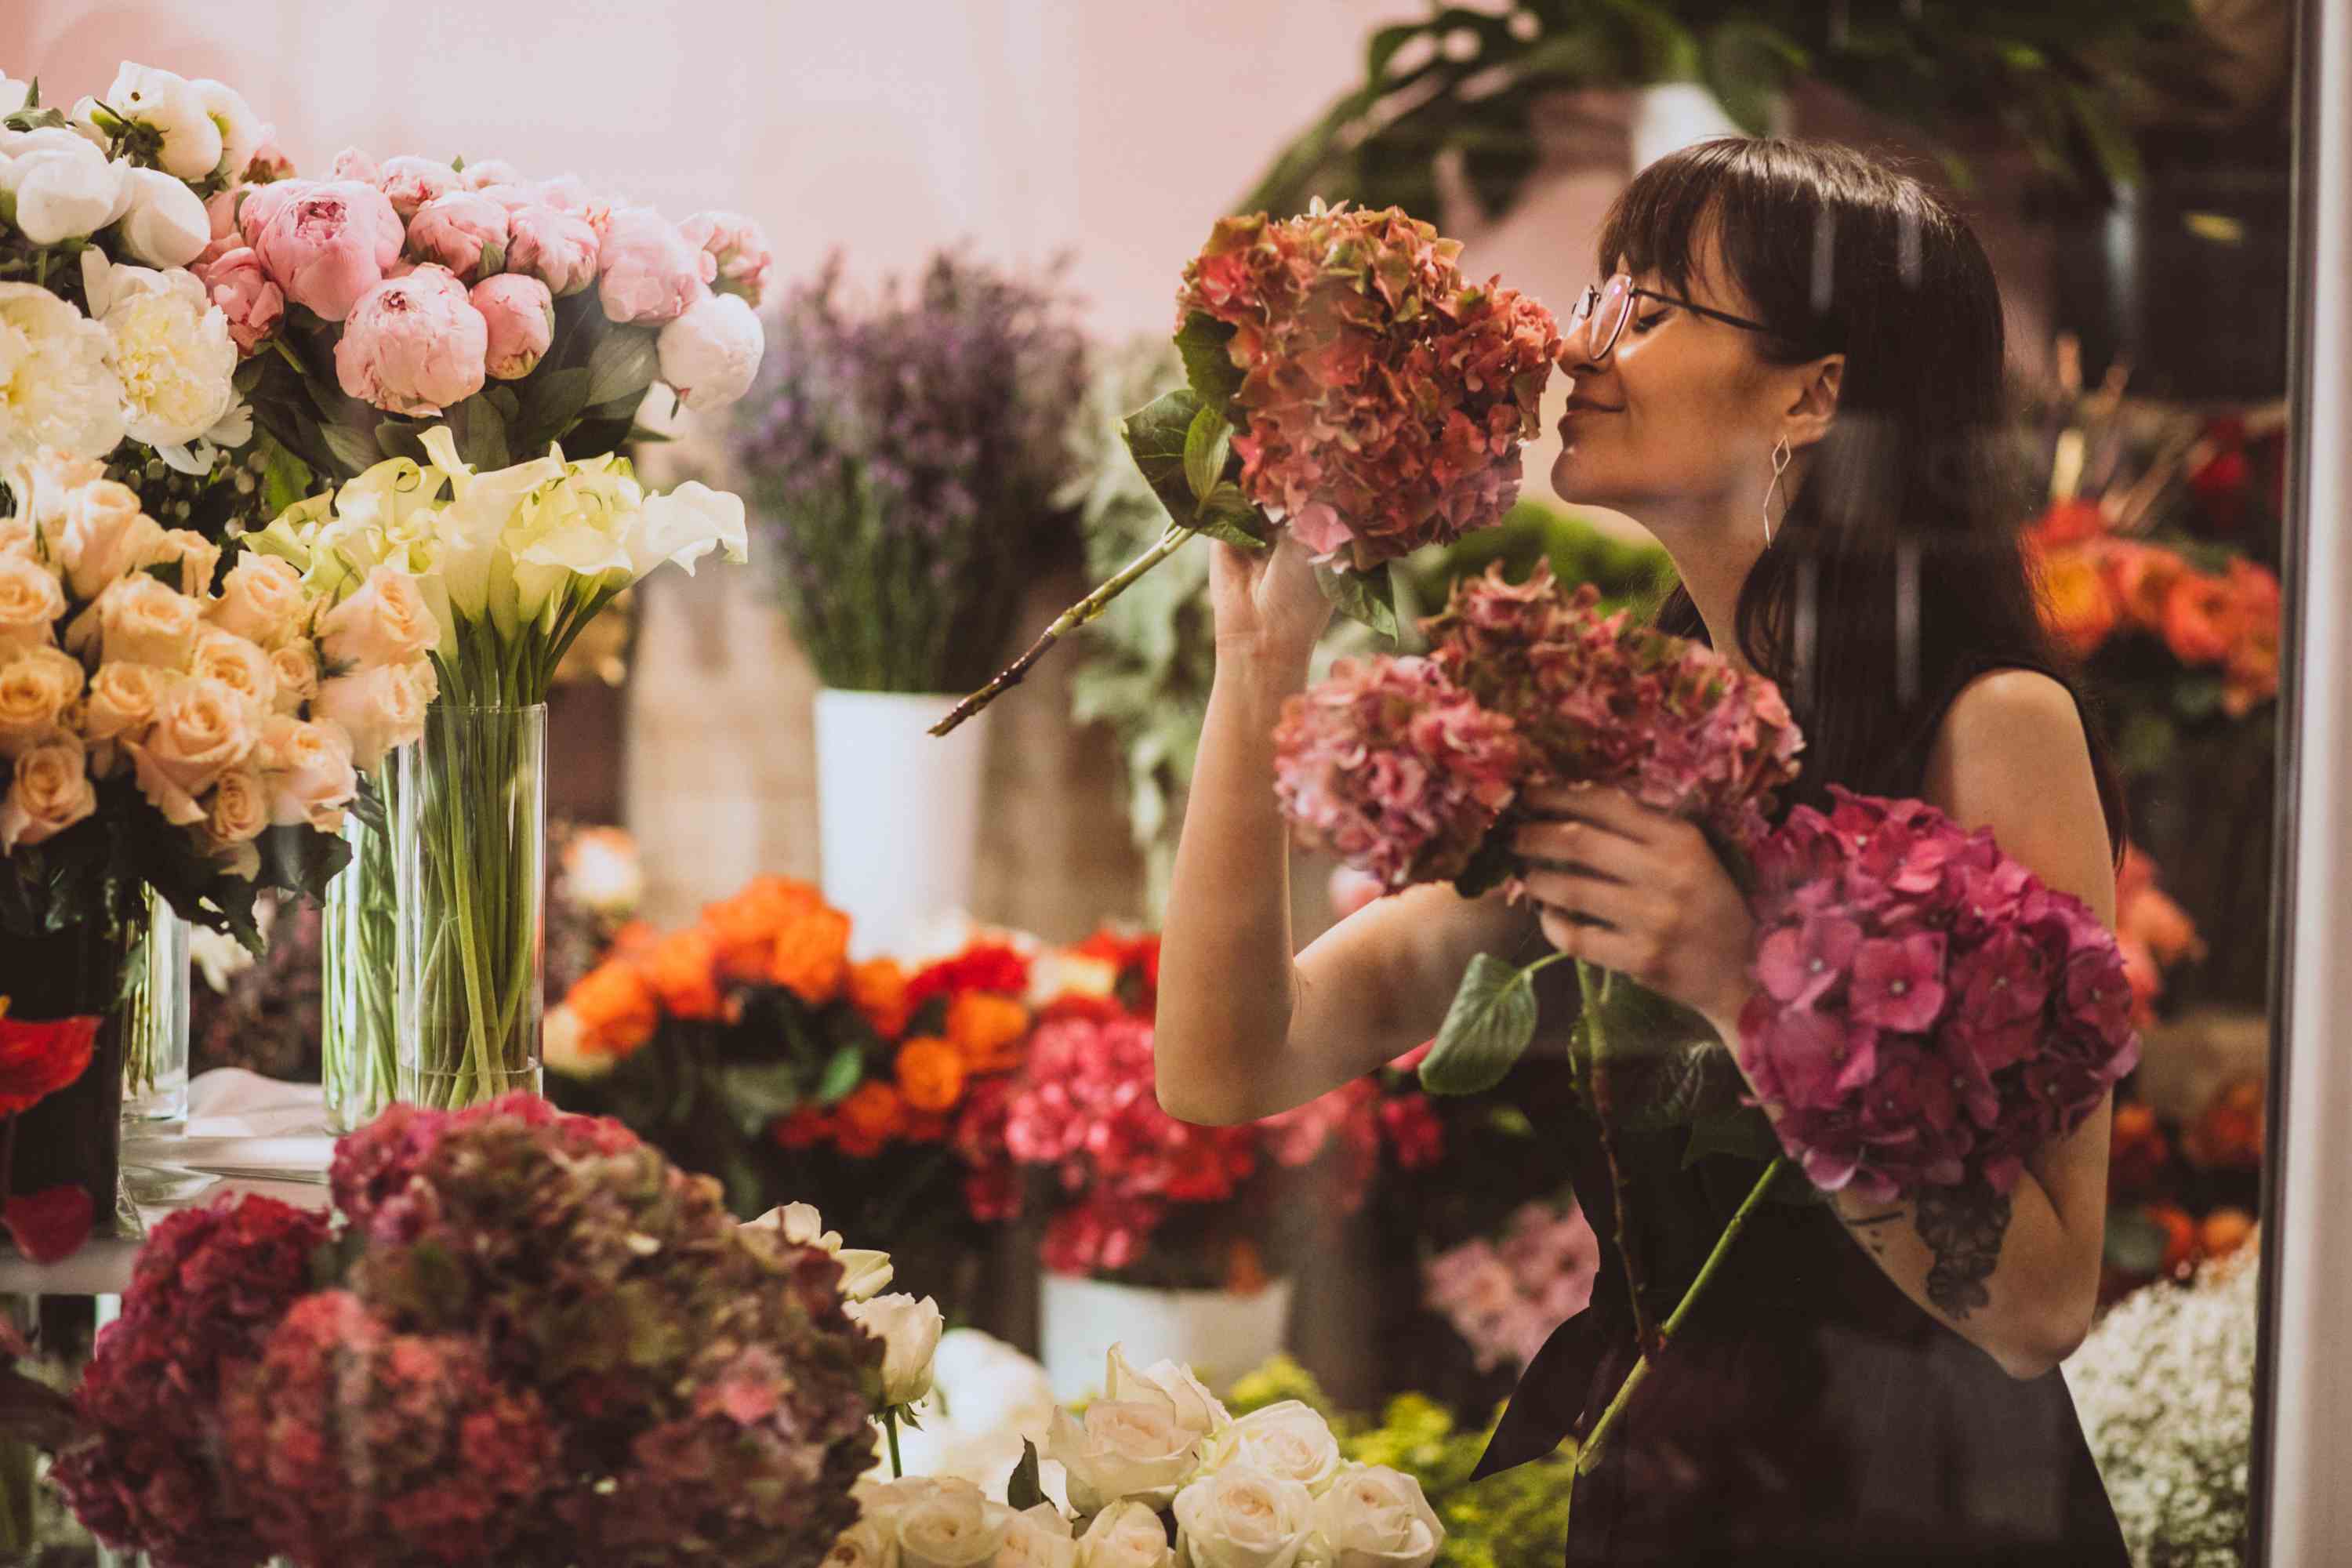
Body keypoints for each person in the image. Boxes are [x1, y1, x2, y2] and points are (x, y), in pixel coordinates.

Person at [1153, 137, 2133, 1566]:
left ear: (1813, 394)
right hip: (1654, 1499)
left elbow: (2041, 1301)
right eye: (1604, 292)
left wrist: (1748, 989)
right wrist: (1259, 666)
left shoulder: (1993, 729)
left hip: (1913, 1516)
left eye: (1652, 305)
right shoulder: (1608, 743)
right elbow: (1230, 1061)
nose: (1575, 342)